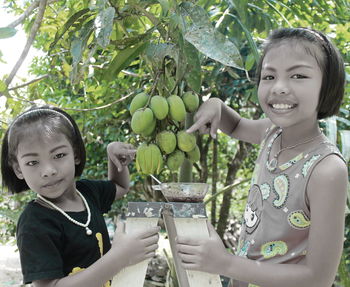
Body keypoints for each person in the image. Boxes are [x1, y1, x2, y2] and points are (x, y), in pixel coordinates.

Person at [176, 27, 348, 287]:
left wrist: (225, 263)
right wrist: (217, 106)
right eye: (269, 76)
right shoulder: (272, 133)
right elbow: (235, 126)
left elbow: (318, 278)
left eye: (298, 75)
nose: (279, 87)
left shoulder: (327, 170)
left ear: (327, 86)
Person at [1, 106, 160, 287]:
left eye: (59, 155)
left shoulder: (87, 192)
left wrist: (113, 157)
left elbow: (120, 186)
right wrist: (119, 258)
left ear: (75, 153)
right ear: (18, 169)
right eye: (32, 162)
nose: (48, 171)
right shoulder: (35, 222)